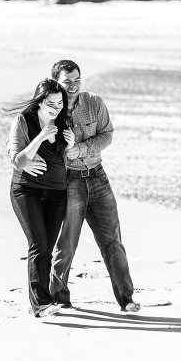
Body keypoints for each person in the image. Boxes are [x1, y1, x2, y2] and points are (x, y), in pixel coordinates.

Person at [42, 60, 140, 312]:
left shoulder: (94, 102)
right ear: (56, 82)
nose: (73, 86)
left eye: (77, 80)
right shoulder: (51, 109)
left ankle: (127, 299)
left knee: (113, 241)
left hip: (98, 176)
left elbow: (107, 134)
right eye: (67, 82)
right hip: (69, 181)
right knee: (67, 242)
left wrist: (81, 148)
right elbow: (43, 147)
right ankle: (60, 298)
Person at [6, 78, 74, 318]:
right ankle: (40, 304)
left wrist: (71, 145)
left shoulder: (65, 123)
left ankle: (45, 300)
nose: (55, 107)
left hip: (57, 193)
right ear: (39, 102)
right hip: (27, 190)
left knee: (47, 248)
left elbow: (66, 159)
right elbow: (18, 160)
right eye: (50, 103)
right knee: (38, 245)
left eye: (59, 103)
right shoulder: (23, 122)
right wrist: (41, 137)